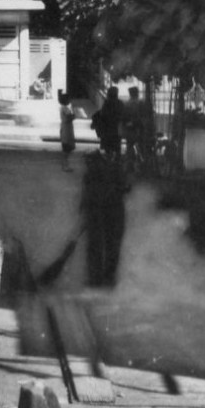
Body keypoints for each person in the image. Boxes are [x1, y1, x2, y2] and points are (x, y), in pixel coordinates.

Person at [81, 150, 129, 287]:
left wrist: (86, 209)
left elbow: (88, 195)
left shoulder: (92, 175)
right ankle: (106, 279)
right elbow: (124, 187)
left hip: (103, 213)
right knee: (110, 247)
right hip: (111, 213)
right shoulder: (112, 172)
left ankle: (97, 279)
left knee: (98, 247)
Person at [90, 85, 124, 156]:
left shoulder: (107, 103)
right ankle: (117, 162)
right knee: (117, 147)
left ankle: (109, 161)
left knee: (108, 148)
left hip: (107, 128)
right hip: (117, 129)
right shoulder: (120, 103)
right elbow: (122, 114)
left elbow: (103, 114)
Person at [58, 91, 76, 172]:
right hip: (66, 130)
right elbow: (70, 117)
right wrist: (73, 113)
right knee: (66, 149)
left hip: (66, 128)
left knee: (66, 149)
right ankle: (65, 165)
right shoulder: (65, 108)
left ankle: (65, 165)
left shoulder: (63, 108)